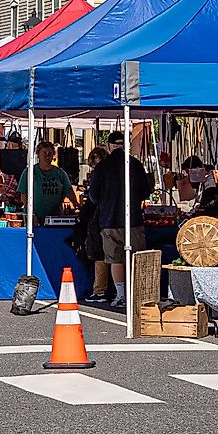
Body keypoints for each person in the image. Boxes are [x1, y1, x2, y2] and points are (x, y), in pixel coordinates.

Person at [88, 131, 154, 310]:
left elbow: (93, 195)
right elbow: (147, 191)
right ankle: (138, 294)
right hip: (133, 219)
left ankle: (121, 294)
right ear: (125, 145)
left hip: (109, 219)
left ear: (109, 146)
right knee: (135, 257)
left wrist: (104, 202)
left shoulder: (103, 167)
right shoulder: (135, 164)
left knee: (115, 257)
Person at [17, 140, 79, 222]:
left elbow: (69, 190)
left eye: (49, 154)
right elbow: (23, 194)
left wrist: (76, 205)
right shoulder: (30, 172)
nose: (47, 156)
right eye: (44, 153)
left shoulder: (60, 173)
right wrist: (31, 213)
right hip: (34, 218)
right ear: (38, 154)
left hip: (56, 218)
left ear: (53, 155)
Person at [78, 146, 110, 304]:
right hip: (113, 218)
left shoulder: (101, 175)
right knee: (115, 256)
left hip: (101, 219)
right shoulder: (114, 173)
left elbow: (93, 198)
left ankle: (99, 290)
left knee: (100, 255)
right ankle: (117, 290)